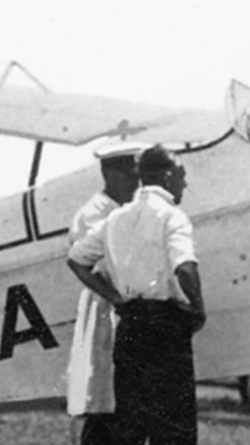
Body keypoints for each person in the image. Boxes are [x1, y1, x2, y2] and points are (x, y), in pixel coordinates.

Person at [67, 145, 205, 445]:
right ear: (166, 176)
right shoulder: (172, 216)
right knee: (174, 428)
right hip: (166, 327)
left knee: (129, 424)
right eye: (181, 175)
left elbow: (76, 260)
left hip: (130, 326)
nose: (184, 183)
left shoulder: (116, 218)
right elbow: (185, 268)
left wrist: (116, 298)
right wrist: (198, 308)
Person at [65, 142, 144, 445]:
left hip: (126, 315)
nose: (136, 184)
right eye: (131, 176)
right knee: (107, 404)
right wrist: (119, 299)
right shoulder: (92, 214)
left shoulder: (124, 210)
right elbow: (94, 266)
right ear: (111, 174)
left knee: (127, 404)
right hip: (106, 311)